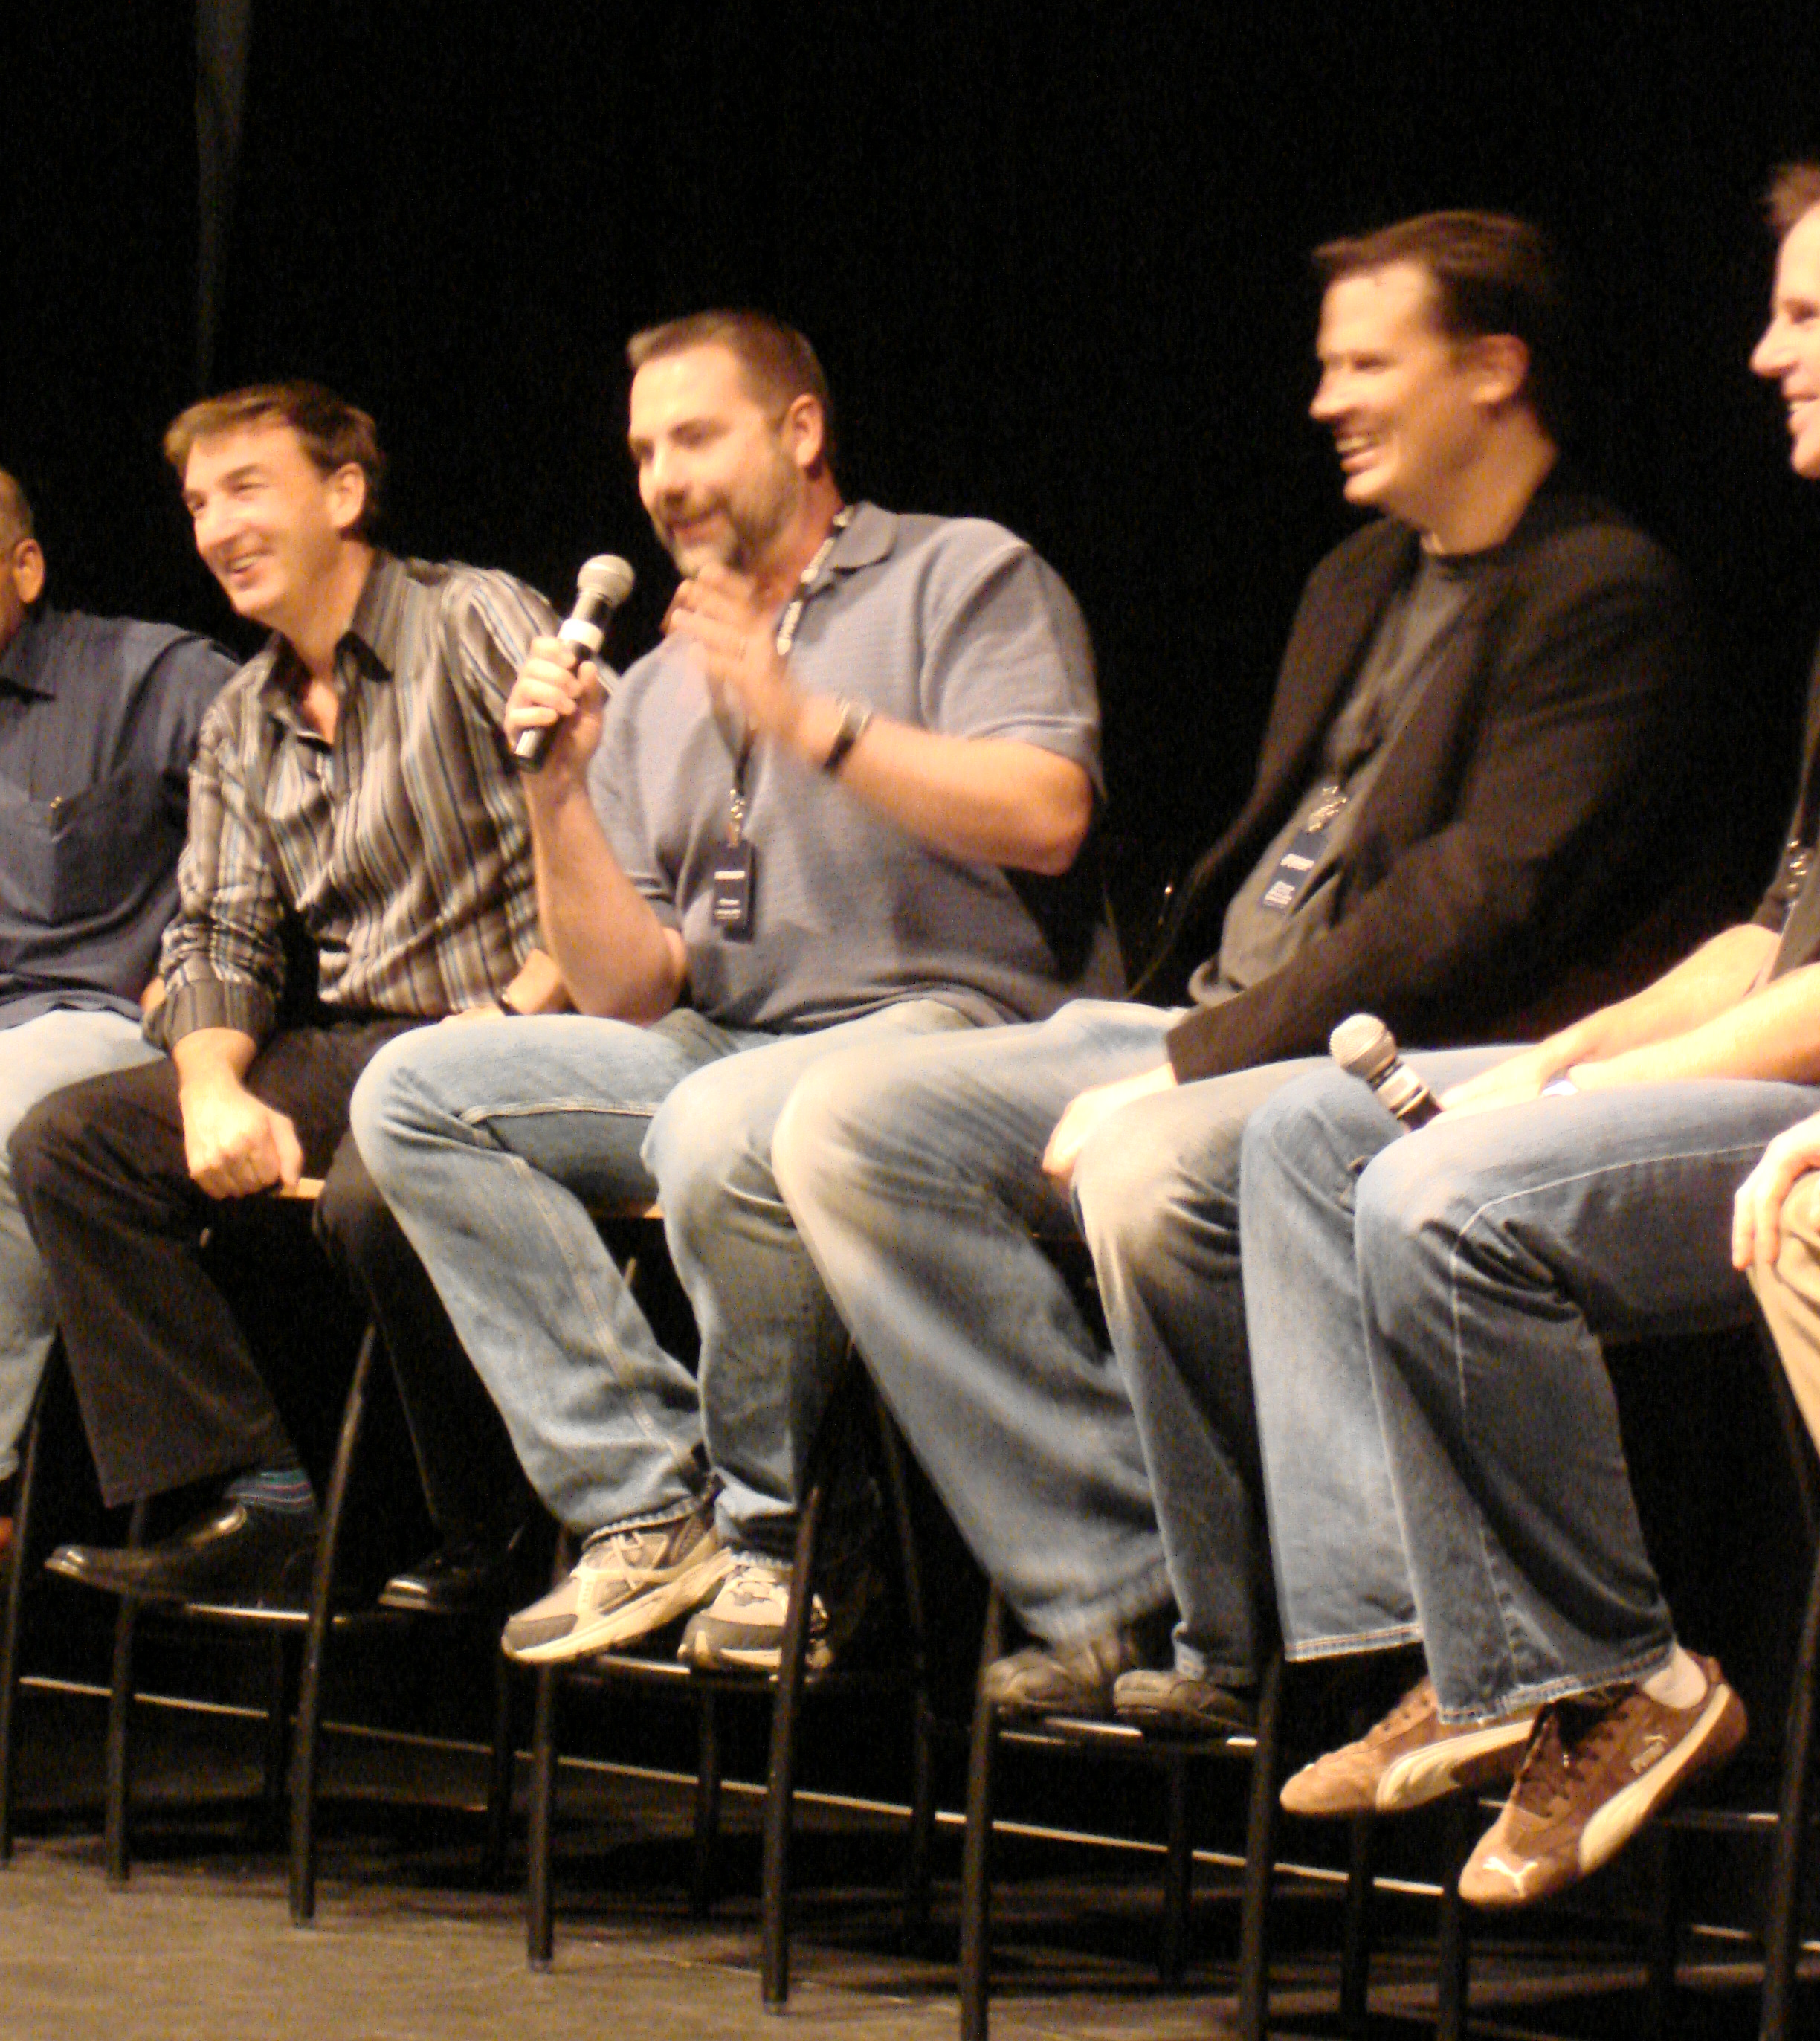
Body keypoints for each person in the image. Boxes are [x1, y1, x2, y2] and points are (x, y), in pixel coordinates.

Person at [772, 211, 1697, 1734]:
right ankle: (1117, 1574)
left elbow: (1474, 911)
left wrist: (1186, 1066)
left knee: (1151, 1173)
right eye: (1328, 365)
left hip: (1393, 1062)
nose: (1328, 399)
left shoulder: (1604, 594)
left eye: (1368, 364)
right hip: (1206, 1017)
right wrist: (1173, 1032)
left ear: (1493, 370)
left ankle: (1269, 1648)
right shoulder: (1354, 578)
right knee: (848, 1126)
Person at [351, 310, 1115, 1671]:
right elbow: (630, 989)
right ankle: (648, 1503)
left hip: (956, 1028)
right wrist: (556, 793)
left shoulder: (960, 572)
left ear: (801, 433)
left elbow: (1048, 813)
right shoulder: (653, 685)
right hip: (732, 1038)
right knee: (413, 1092)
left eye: (695, 437)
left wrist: (803, 715)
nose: (663, 478)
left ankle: (783, 1535)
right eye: (645, 451)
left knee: (719, 1126)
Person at [1236, 164, 1820, 1912]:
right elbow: (1777, 929)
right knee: (1307, 1132)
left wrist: (1637, 1081)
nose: (1764, 352)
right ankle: (1471, 1659)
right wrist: (1592, 1046)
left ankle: (1625, 1677)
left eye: (1806, 316)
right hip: (1766, 1057)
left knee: (1449, 1197)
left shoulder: (1607, 587)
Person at [11, 384, 561, 1608]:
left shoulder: (470, 617)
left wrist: (524, 1009)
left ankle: (502, 1523)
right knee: (72, 1143)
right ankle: (257, 1494)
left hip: (538, 1024)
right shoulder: (242, 718)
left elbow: (615, 835)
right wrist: (211, 1086)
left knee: (377, 1190)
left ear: (346, 494)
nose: (215, 528)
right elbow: (221, 933)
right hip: (368, 1041)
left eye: (245, 490)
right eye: (198, 504)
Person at [0, 470, 236, 1552]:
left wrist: (205, 969)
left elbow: (289, 827)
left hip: (100, 1016)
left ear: (25, 568)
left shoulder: (156, 679)